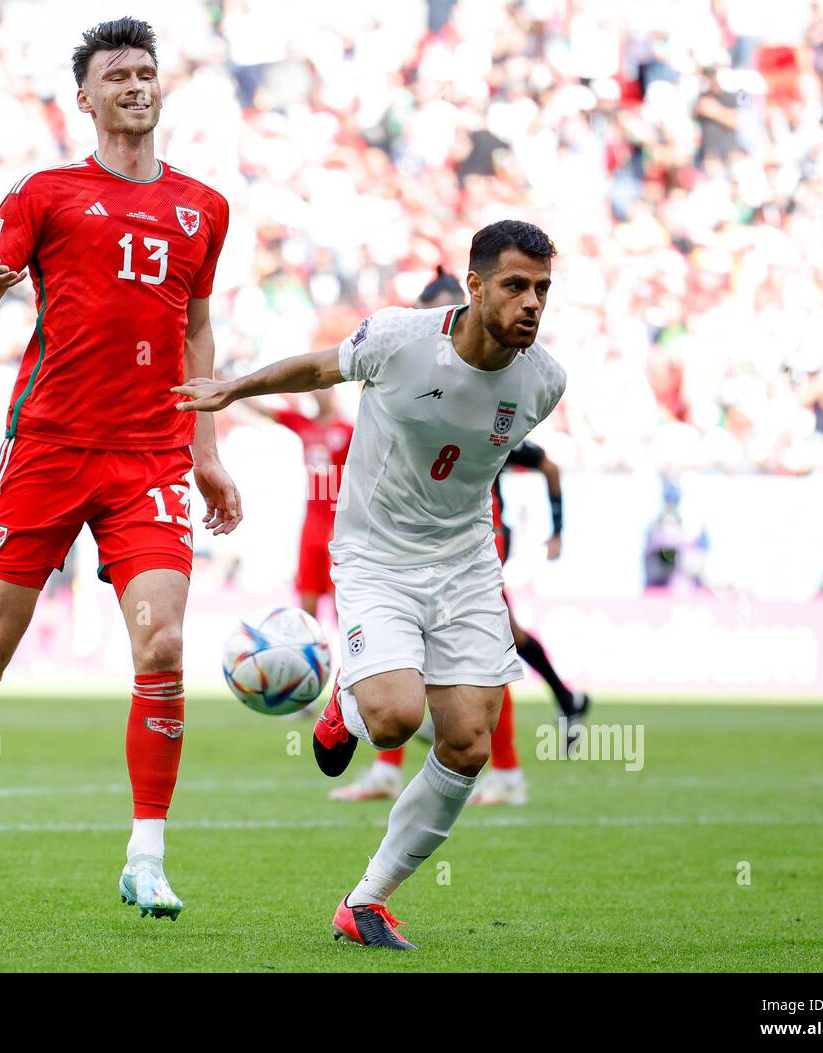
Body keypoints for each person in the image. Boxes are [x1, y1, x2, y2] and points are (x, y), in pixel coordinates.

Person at [0, 17, 242, 921]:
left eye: (146, 71)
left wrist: (207, 453)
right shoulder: (45, 193)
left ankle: (147, 854)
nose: (136, 84)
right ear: (84, 98)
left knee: (162, 645)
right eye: (116, 74)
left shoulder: (203, 206)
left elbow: (196, 326)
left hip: (150, 456)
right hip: (47, 445)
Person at [175, 220, 565, 949]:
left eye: (543, 288)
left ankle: (366, 901)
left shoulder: (543, 380)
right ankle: (348, 703)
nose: (532, 303)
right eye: (515, 285)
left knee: (469, 741)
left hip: (466, 563)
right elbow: (321, 370)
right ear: (475, 286)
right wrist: (232, 389)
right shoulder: (399, 340)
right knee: (392, 717)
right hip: (377, 554)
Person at [330, 269, 588, 806]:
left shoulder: (501, 388)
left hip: (474, 540)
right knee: (414, 653)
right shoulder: (414, 379)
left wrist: (557, 528)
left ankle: (512, 764)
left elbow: (545, 463)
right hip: (401, 543)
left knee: (494, 648)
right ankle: (392, 758)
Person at [241, 390, 353, 621]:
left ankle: (344, 656)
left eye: (324, 389)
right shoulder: (304, 425)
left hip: (339, 526)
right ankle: (312, 654)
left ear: (334, 392)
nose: (318, 395)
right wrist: (233, 389)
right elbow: (267, 411)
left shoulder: (349, 430)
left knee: (340, 605)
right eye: (315, 390)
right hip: (312, 524)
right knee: (306, 603)